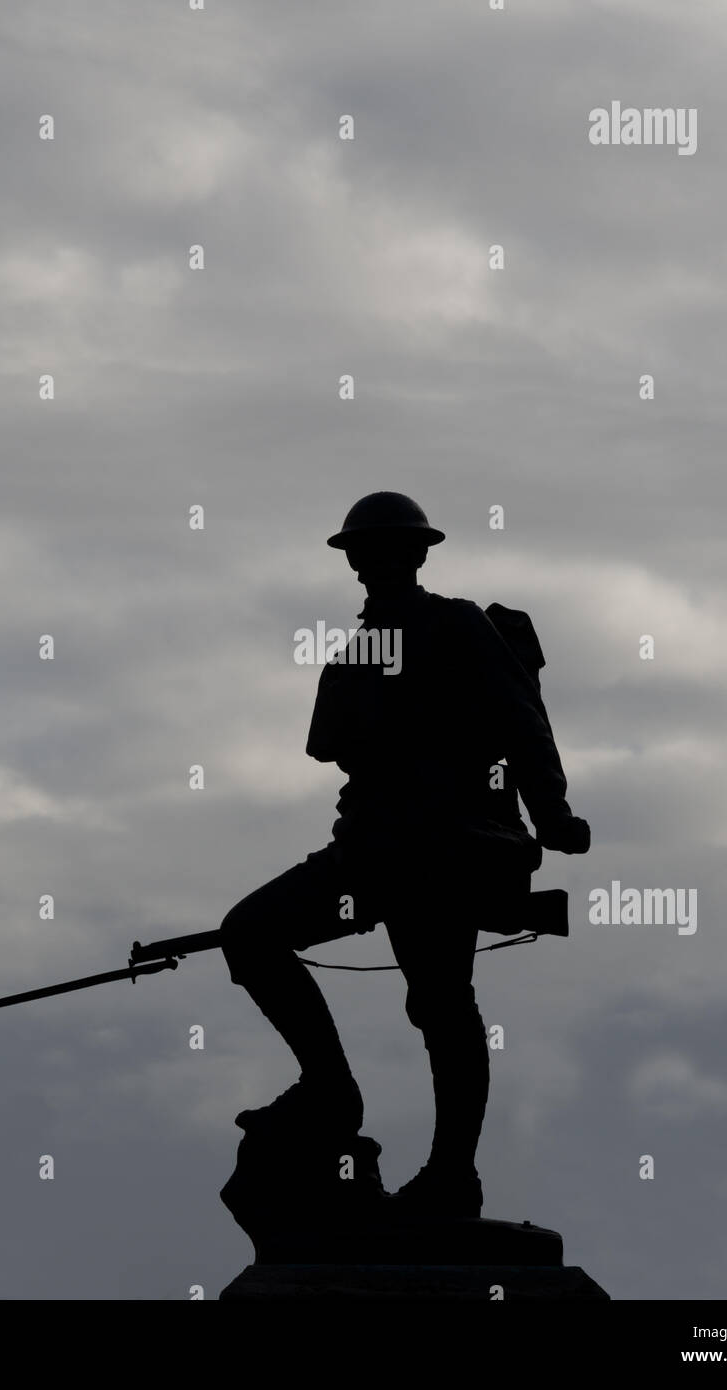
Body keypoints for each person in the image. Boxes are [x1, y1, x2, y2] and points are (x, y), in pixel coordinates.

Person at [220, 492, 590, 1216]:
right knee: (250, 932)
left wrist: (551, 814)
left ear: (419, 555)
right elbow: (328, 742)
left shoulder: (456, 625)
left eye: (396, 550)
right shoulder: (357, 648)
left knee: (440, 1003)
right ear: (353, 561)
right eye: (368, 552)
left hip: (447, 849)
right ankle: (329, 1088)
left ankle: (452, 1173)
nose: (380, 563)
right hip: (371, 850)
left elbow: (522, 720)